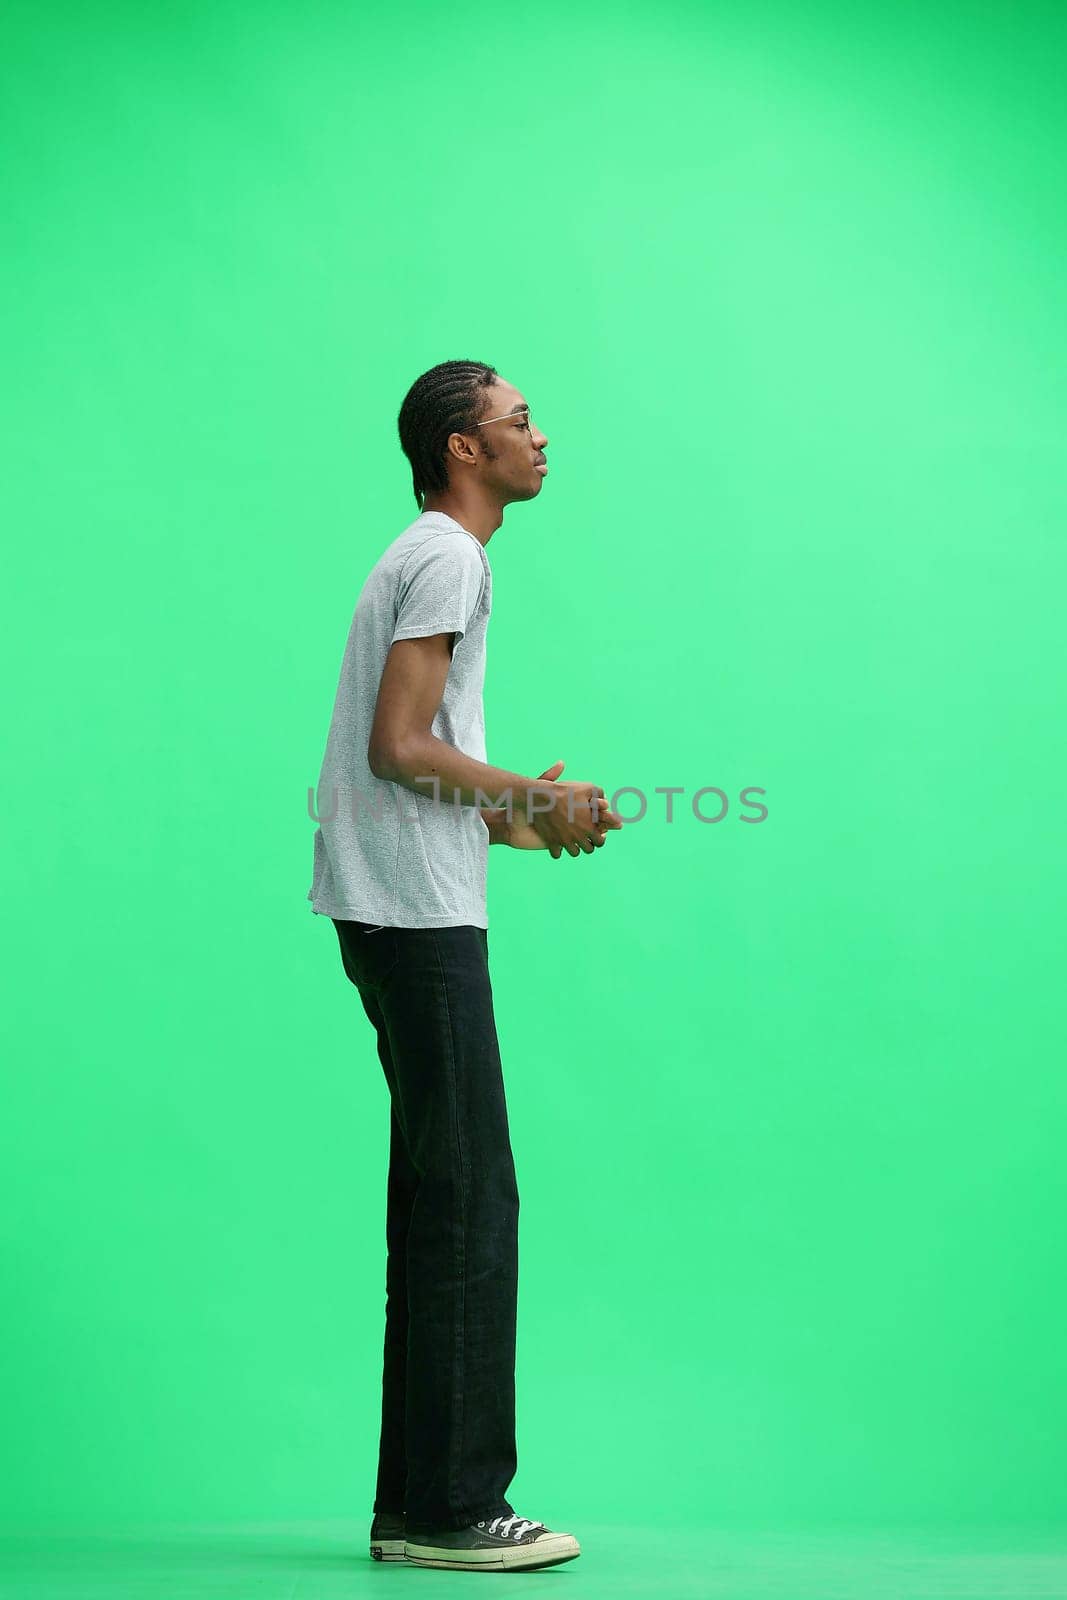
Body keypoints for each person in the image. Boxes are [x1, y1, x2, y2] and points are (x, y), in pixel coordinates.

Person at [306, 359, 623, 1572]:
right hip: (412, 916)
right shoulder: (446, 553)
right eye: (519, 421)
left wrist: (517, 814)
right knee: (469, 1202)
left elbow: (420, 756)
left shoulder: (428, 553)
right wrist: (522, 792)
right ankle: (452, 1507)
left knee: (443, 1197)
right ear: (461, 448)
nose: (542, 436)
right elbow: (396, 745)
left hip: (396, 903)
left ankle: (411, 1504)